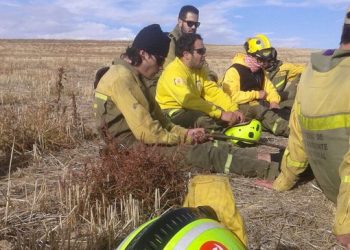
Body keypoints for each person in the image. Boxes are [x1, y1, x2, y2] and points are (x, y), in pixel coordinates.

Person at [93, 24, 279, 180]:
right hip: (132, 150)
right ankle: (273, 171)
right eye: (159, 60)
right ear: (143, 53)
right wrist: (185, 137)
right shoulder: (121, 79)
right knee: (204, 153)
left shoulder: (136, 77)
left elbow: (162, 121)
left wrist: (188, 132)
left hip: (142, 143)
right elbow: (147, 133)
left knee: (210, 142)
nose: (160, 67)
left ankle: (270, 157)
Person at [271, 8, 350, 249]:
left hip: (331, 188)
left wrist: (283, 182)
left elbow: (297, 139)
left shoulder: (311, 71)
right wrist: (346, 224)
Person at [156, 33, 243, 131]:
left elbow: (213, 92)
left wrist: (233, 109)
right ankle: (220, 134)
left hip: (191, 108)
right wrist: (221, 114)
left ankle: (222, 128)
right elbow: (188, 100)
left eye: (204, 50)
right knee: (202, 119)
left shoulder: (199, 69)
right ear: (186, 54)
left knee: (215, 113)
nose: (204, 54)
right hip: (171, 112)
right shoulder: (174, 72)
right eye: (200, 51)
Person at [165, 5, 218, 82]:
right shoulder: (171, 41)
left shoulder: (195, 43)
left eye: (196, 24)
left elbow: (206, 69)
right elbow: (171, 73)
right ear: (180, 22)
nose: (193, 27)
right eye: (190, 23)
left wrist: (209, 80)